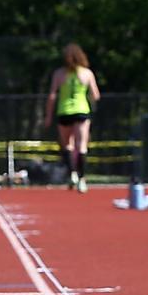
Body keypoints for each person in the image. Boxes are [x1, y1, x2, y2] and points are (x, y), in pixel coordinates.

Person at [43, 43, 101, 193]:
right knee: (81, 146)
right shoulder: (87, 73)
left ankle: (72, 173)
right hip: (81, 111)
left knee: (67, 145)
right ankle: (82, 179)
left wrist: (48, 115)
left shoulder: (59, 74)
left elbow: (52, 95)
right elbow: (95, 95)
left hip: (64, 112)